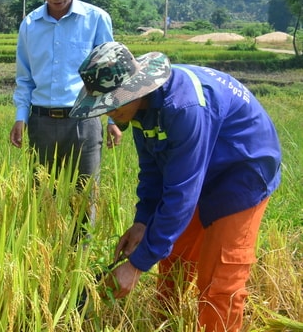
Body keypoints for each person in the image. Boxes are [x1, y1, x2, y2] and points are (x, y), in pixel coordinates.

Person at [70, 42, 281, 332]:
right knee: (174, 260)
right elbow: (153, 171)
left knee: (220, 279)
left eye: (113, 103)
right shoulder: (140, 109)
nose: (110, 113)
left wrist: (136, 266)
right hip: (197, 168)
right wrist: (143, 222)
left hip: (241, 170)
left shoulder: (183, 108)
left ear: (134, 87)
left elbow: (182, 193)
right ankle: (166, 325)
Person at [9, 0, 121, 185]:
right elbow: (25, 78)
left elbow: (109, 75)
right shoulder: (29, 24)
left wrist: (113, 120)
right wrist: (21, 117)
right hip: (41, 123)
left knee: (84, 201)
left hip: (84, 122)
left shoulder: (97, 19)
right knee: (42, 201)